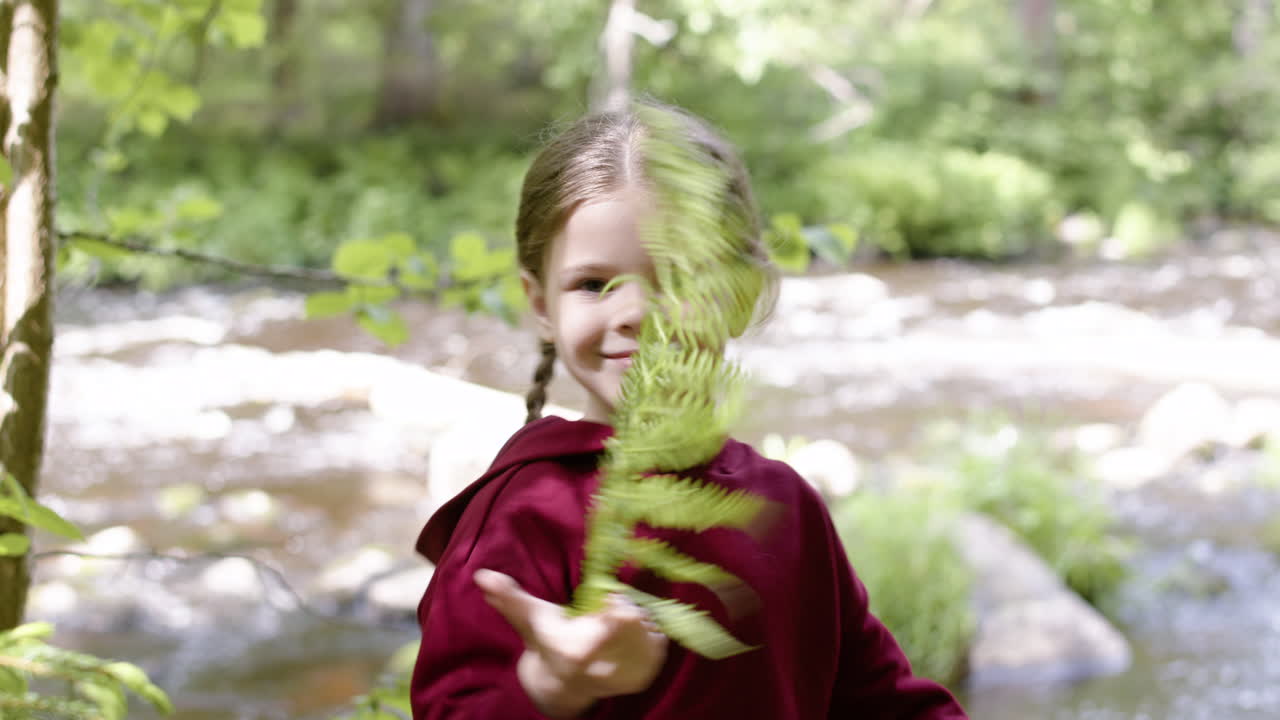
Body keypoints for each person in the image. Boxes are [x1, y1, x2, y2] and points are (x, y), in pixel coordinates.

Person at [410, 100, 969, 719]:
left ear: (739, 292)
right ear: (540, 303)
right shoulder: (523, 513)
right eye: (593, 284)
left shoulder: (785, 504)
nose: (634, 313)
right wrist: (549, 686)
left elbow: (879, 701)